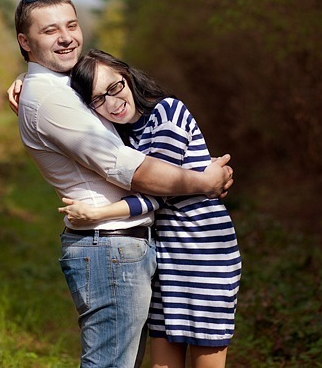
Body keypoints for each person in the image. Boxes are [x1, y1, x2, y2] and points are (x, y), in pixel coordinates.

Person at [9, 0, 234, 368]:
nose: (66, 37)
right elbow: (134, 170)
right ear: (25, 42)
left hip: (137, 247)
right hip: (109, 249)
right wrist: (205, 183)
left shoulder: (59, 89)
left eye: (71, 25)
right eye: (49, 30)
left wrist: (26, 77)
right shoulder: (50, 97)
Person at [59, 49, 241, 368]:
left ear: (126, 75)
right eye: (98, 99)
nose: (112, 103)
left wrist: (97, 214)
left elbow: (157, 195)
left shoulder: (167, 113)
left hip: (204, 250)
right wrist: (27, 83)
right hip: (162, 255)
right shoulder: (119, 137)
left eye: (114, 87)